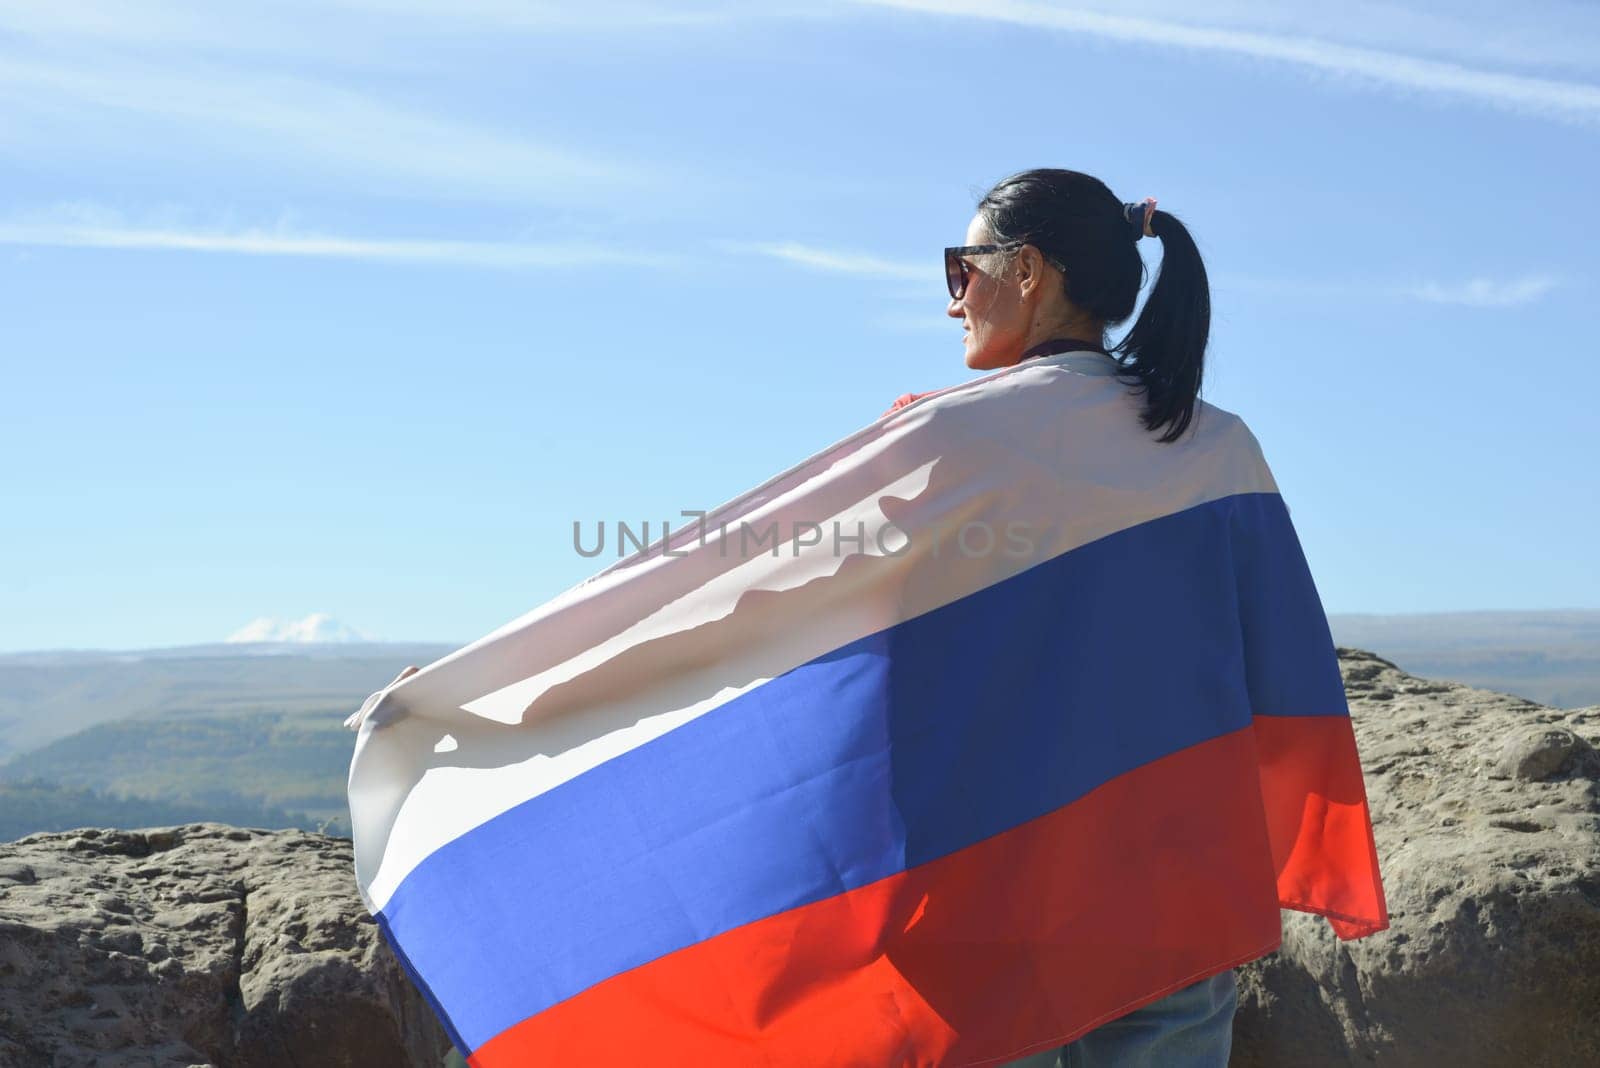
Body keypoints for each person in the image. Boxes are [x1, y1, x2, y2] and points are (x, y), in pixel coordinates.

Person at [895, 168, 1237, 1067]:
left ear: (1029, 270)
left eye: (960, 271)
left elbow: (824, 635)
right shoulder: (1219, 447)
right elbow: (1259, 656)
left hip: (992, 888)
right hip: (1177, 892)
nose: (952, 302)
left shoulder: (938, 441)